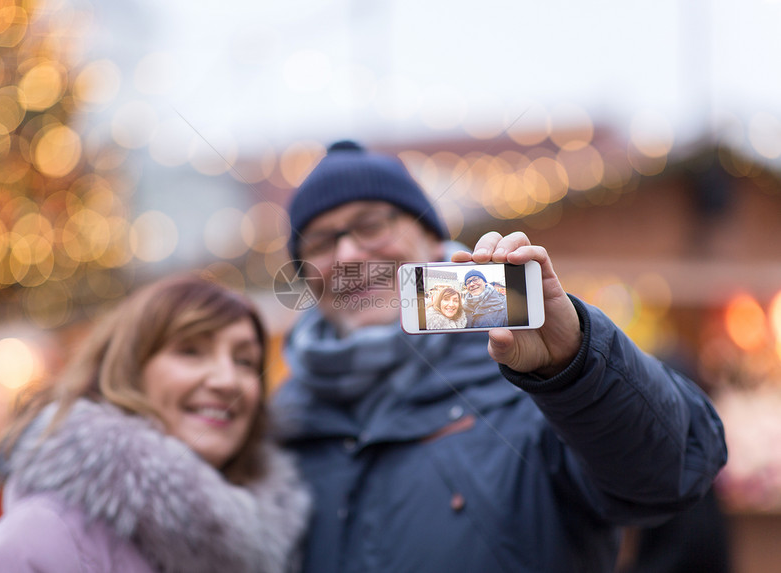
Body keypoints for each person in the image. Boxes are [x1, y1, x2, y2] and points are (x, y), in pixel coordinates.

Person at [271, 140, 727, 573]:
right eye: (320, 243)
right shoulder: (276, 425)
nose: (349, 254)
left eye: (370, 224)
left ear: (431, 238)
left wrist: (575, 367)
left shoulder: (536, 379)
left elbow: (673, 474)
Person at [0, 275, 311, 573]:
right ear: (129, 372)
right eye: (191, 351)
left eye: (245, 361)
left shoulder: (278, 542)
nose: (227, 380)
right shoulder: (41, 540)